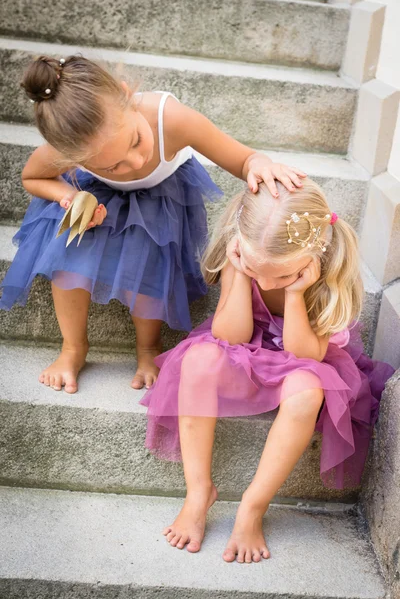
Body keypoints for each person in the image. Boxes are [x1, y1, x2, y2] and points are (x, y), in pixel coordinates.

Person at [0, 55, 305, 393]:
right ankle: (73, 347)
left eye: (135, 141)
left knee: (147, 254)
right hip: (98, 200)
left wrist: (261, 164)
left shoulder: (170, 118)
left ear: (127, 95)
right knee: (68, 257)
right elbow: (32, 176)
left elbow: (244, 159)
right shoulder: (66, 147)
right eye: (113, 165)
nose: (134, 162)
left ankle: (148, 347)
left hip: (160, 201)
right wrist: (68, 197)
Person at [140, 179, 394, 563]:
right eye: (259, 271)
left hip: (303, 354)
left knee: (308, 390)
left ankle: (253, 505)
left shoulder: (329, 273)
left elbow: (305, 353)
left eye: (281, 275)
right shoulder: (242, 257)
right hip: (243, 346)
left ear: (312, 256)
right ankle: (198, 490)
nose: (267, 282)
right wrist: (241, 273)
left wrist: (294, 293)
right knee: (196, 360)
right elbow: (230, 335)